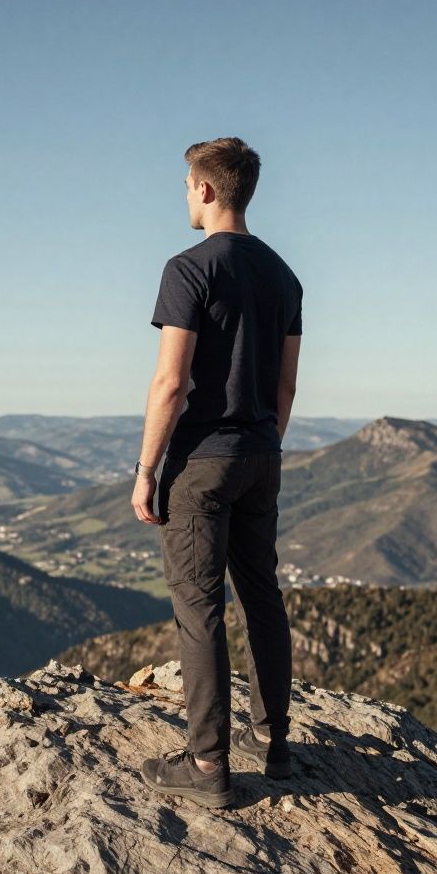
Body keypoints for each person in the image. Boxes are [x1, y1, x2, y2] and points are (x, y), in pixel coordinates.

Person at [134, 136, 303, 809]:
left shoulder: (188, 269)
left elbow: (170, 383)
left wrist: (146, 468)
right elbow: (286, 387)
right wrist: (262, 445)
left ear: (205, 189)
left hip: (202, 460)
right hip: (263, 453)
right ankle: (275, 741)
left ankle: (207, 765)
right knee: (262, 596)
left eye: (185, 184)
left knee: (200, 608)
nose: (184, 195)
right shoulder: (284, 276)